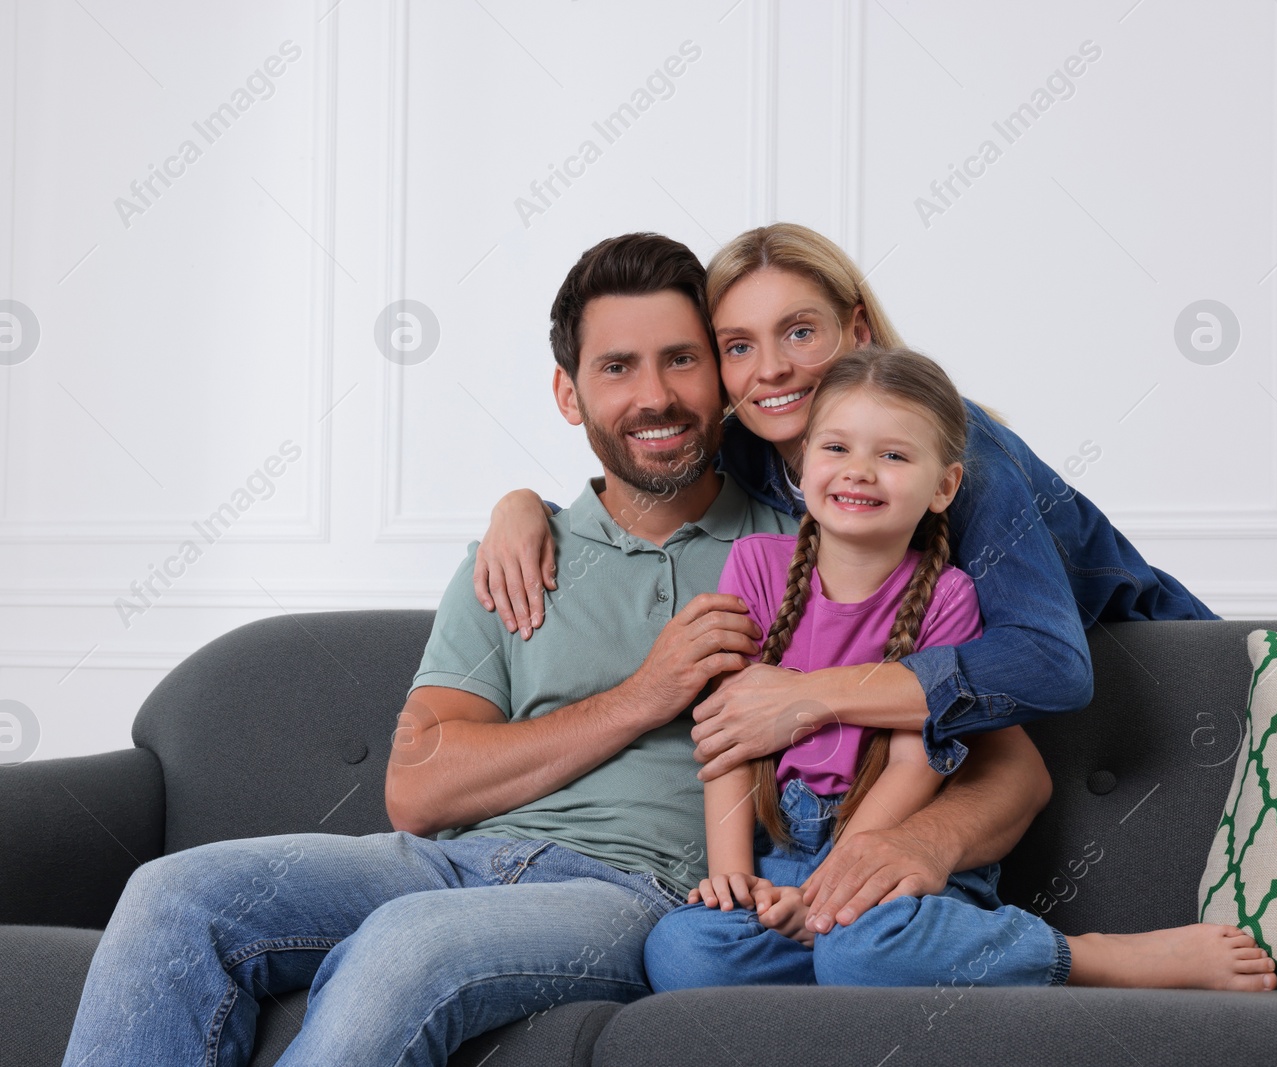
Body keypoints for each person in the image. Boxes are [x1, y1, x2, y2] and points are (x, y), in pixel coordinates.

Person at [60, 232, 1051, 1067]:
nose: (654, 395)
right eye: (616, 368)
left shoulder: (814, 545)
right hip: (445, 861)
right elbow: (420, 790)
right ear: (569, 394)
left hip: (635, 887)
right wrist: (646, 688)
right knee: (172, 890)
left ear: (720, 374)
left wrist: (889, 845)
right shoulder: (515, 556)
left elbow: (995, 751)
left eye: (681, 359)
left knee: (406, 947)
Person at [472, 222, 1218, 935]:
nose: (771, 369)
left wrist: (807, 696)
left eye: (800, 332)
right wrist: (524, 508)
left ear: (857, 332)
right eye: (738, 346)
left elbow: (1050, 663)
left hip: (1155, 672)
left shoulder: (958, 449)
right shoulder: (756, 447)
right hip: (944, 740)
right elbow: (643, 477)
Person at [640, 345, 1276, 992]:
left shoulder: (949, 596)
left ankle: (1088, 957)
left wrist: (834, 882)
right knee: (683, 949)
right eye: (836, 449)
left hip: (892, 843)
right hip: (784, 858)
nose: (859, 471)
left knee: (861, 950)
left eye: (892, 455)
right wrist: (734, 877)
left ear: (944, 486)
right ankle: (830, 946)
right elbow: (726, 737)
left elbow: (916, 761)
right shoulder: (753, 566)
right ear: (801, 463)